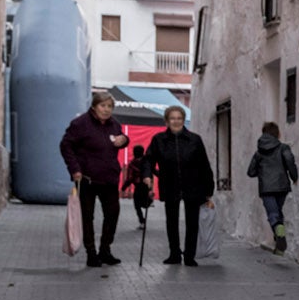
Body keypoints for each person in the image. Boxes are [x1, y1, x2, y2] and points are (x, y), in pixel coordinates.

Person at [60, 89, 130, 267]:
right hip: (87, 178)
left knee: (112, 214)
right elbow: (66, 145)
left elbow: (121, 138)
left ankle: (105, 250)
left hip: (109, 178)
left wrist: (125, 140)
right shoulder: (80, 124)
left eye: (110, 106)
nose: (106, 109)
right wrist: (74, 169)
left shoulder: (114, 124)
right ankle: (91, 253)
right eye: (103, 105)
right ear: (94, 106)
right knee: (87, 216)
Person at [147, 104, 215, 266]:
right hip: (170, 184)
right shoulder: (159, 140)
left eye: (179, 118)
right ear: (167, 121)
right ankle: (174, 254)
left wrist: (208, 190)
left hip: (193, 185)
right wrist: (147, 175)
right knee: (171, 221)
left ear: (184, 120)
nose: (176, 121)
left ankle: (189, 255)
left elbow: (204, 165)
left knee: (192, 222)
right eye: (172, 118)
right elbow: (148, 160)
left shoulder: (194, 139)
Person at [245, 122, 299, 252]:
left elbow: (250, 172)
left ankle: (278, 232)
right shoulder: (283, 148)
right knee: (278, 211)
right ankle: (279, 245)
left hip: (266, 188)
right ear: (277, 133)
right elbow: (289, 161)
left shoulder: (259, 153)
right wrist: (294, 177)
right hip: (282, 186)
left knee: (273, 214)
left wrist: (262, 171)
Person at [129, 143, 153, 229]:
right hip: (145, 186)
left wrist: (124, 187)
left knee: (138, 205)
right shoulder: (146, 161)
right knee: (140, 204)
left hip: (140, 186)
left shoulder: (133, 163)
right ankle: (142, 220)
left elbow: (130, 177)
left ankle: (142, 221)